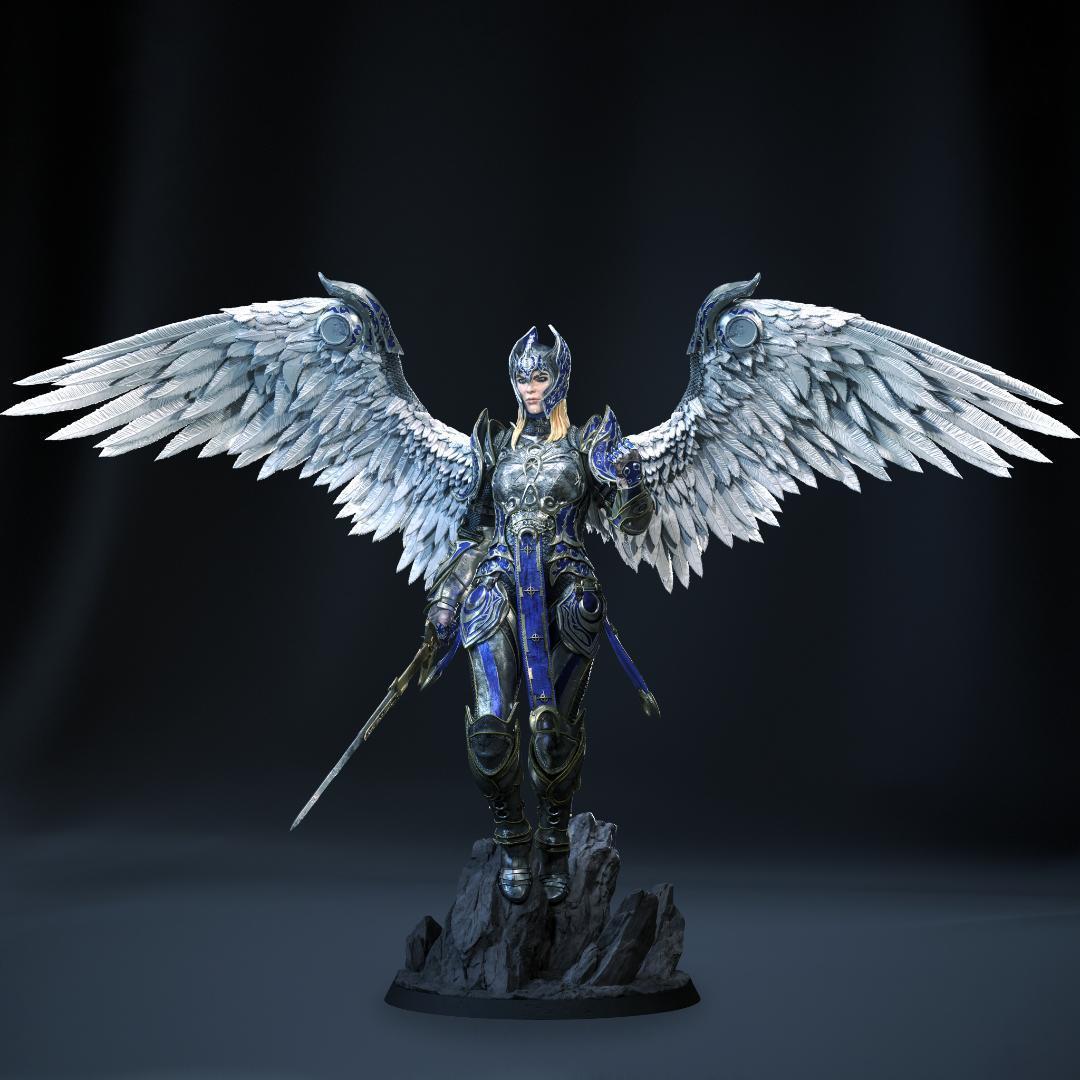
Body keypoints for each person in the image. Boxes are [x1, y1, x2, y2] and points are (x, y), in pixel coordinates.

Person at [420, 327, 654, 904]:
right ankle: (511, 836)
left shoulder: (588, 443)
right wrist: (446, 597)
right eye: (522, 378)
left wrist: (631, 481)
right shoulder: (495, 446)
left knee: (553, 735)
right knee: (490, 732)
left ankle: (554, 839)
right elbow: (475, 530)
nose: (530, 387)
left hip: (569, 592)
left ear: (560, 380)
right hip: (497, 585)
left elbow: (630, 521)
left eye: (540, 377)